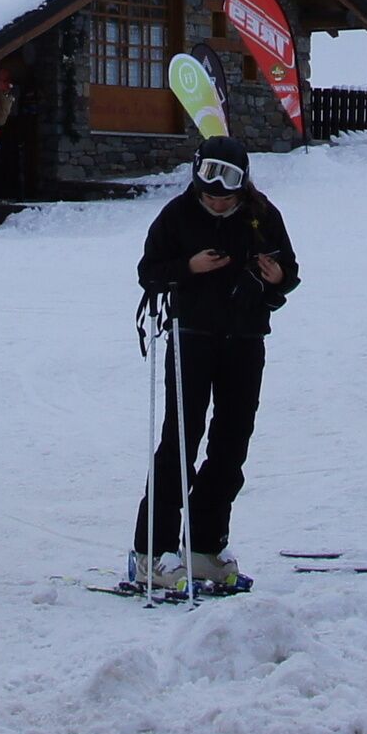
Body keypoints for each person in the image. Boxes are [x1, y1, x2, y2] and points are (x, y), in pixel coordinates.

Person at [129, 152, 297, 595]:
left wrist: (277, 276)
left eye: (226, 198)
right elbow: (148, 271)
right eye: (209, 196)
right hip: (193, 337)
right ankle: (153, 551)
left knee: (231, 443)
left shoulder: (263, 215)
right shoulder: (178, 214)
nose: (218, 204)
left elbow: (290, 271)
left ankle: (205, 546)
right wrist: (188, 267)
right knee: (180, 442)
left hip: (245, 339)